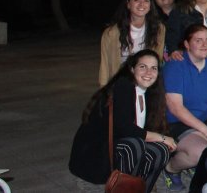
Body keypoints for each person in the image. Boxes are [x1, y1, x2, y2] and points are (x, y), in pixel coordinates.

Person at [69, 49, 175, 191]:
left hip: (122, 148)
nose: (148, 72)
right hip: (97, 154)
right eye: (143, 67)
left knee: (160, 150)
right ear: (132, 69)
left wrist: (162, 141)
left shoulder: (152, 93)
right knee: (134, 145)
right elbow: (124, 128)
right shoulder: (123, 86)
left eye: (153, 68)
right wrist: (162, 138)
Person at [163, 25, 207, 181]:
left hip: (205, 118)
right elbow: (176, 108)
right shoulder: (175, 66)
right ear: (187, 44)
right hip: (177, 122)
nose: (204, 44)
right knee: (201, 153)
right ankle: (171, 167)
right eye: (198, 40)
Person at [99, 0, 166, 86]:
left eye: (146, 0)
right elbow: (105, 66)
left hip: (146, 81)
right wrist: (104, 89)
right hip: (121, 82)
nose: (141, 4)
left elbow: (157, 60)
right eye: (136, 0)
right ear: (128, 4)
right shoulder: (111, 33)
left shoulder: (159, 29)